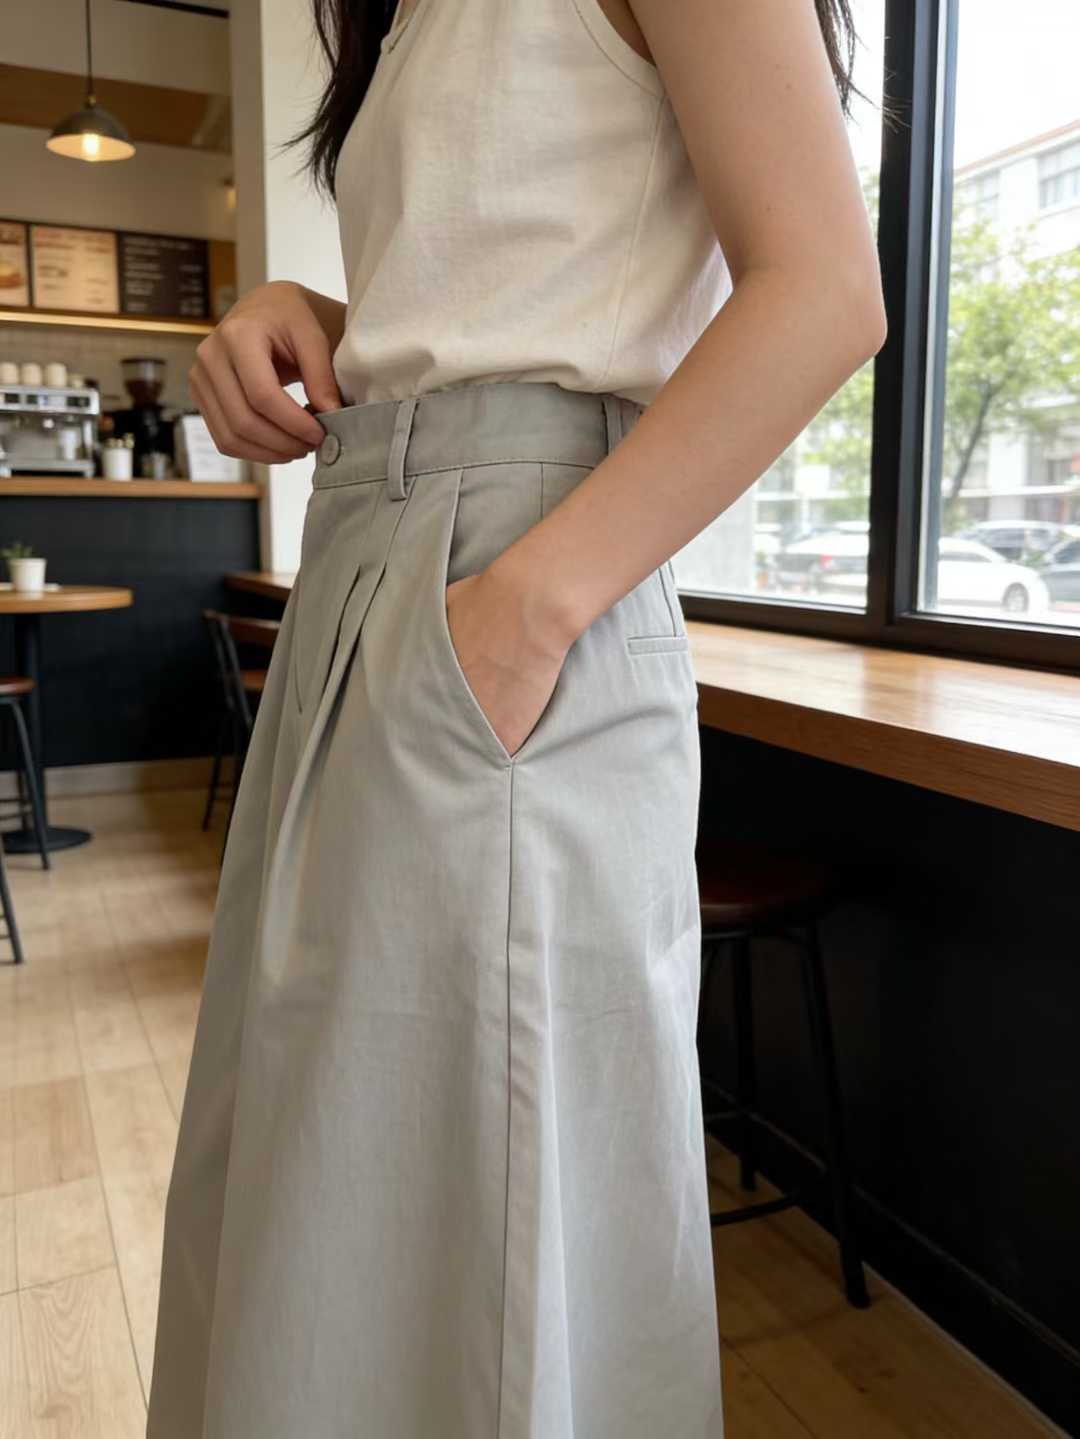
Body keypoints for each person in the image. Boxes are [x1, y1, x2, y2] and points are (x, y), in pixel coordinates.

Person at [146, 0, 888, 1434]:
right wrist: (319, 323)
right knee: (331, 1188)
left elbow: (822, 286)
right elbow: (511, 289)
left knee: (480, 1211)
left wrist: (531, 607)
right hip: (379, 562)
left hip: (503, 583)